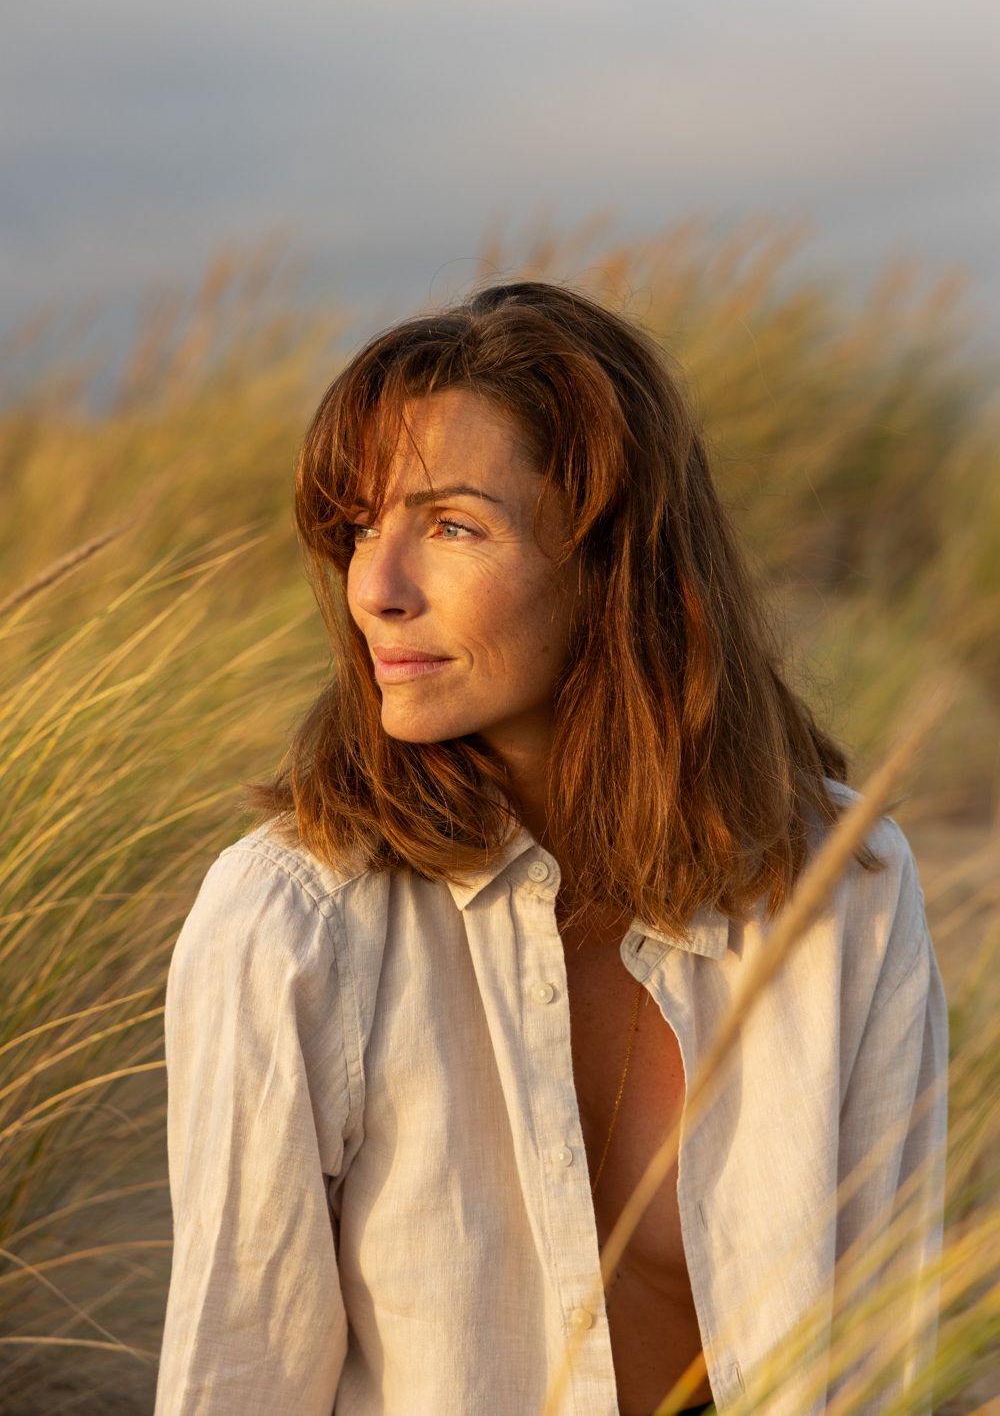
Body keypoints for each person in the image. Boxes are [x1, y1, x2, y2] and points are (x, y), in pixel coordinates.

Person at [154, 280, 948, 1416]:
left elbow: (885, 1357)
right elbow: (239, 1373)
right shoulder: (290, 924)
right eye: (359, 528)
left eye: (451, 526)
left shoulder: (841, 893)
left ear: (610, 560)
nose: (375, 589)